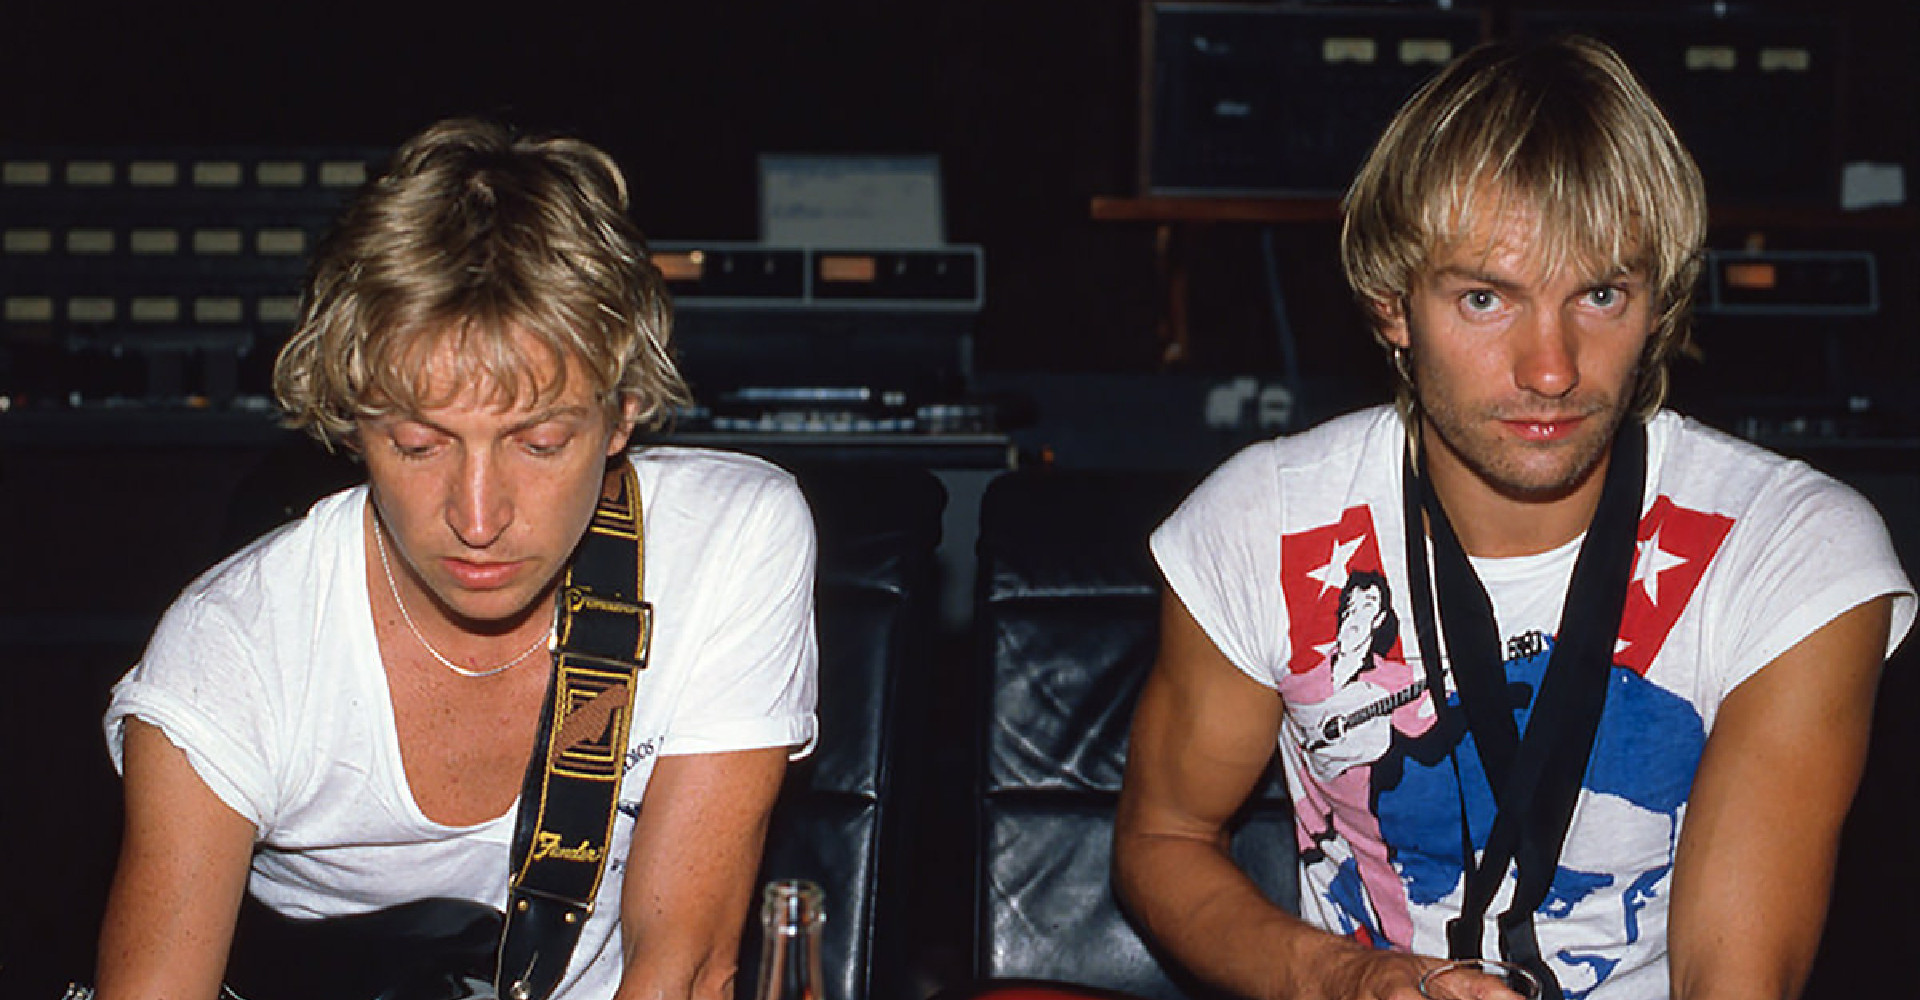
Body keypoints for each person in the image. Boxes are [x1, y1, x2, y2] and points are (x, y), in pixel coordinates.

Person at [1114, 35, 1914, 1000]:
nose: (1552, 368)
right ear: (1391, 306)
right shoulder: (1260, 526)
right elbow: (1161, 839)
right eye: (1487, 298)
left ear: (1657, 303)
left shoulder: (1795, 554)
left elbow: (1732, 979)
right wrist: (1349, 982)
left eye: (1602, 294)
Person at [94, 118, 818, 1000]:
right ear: (352, 420)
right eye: (418, 444)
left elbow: (687, 965)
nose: (478, 518)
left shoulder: (731, 541)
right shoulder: (228, 657)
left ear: (623, 413)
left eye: (540, 443)